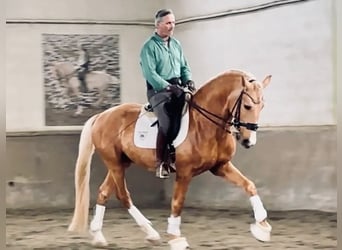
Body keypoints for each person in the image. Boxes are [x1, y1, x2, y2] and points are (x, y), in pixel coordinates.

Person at [139, 9, 196, 179]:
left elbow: (184, 66)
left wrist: (188, 80)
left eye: (173, 22)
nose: (172, 26)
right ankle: (161, 161)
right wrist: (167, 87)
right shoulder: (148, 47)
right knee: (167, 118)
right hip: (158, 91)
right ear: (158, 25)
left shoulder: (176, 44)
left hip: (178, 88)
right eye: (168, 23)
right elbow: (150, 74)